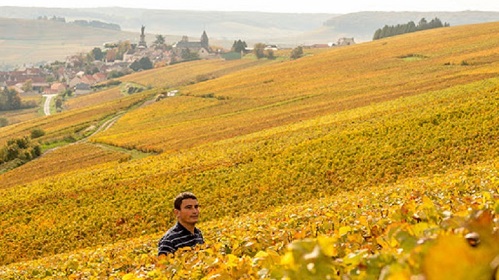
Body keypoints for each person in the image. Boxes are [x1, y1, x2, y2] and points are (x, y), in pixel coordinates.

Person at [158, 192, 204, 256]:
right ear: (177, 213)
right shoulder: (169, 240)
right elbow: (162, 264)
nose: (195, 211)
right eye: (188, 207)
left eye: (196, 207)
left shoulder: (198, 233)